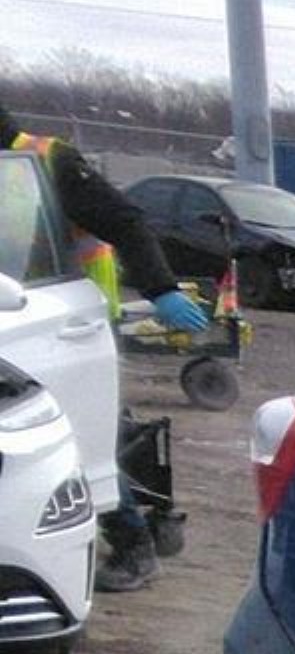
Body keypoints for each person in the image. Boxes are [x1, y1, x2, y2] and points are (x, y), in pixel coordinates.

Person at [0, 100, 212, 590]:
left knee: (73, 440)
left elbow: (127, 224)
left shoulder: (46, 159)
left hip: (61, 323)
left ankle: (133, 543)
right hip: (20, 321)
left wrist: (161, 289)